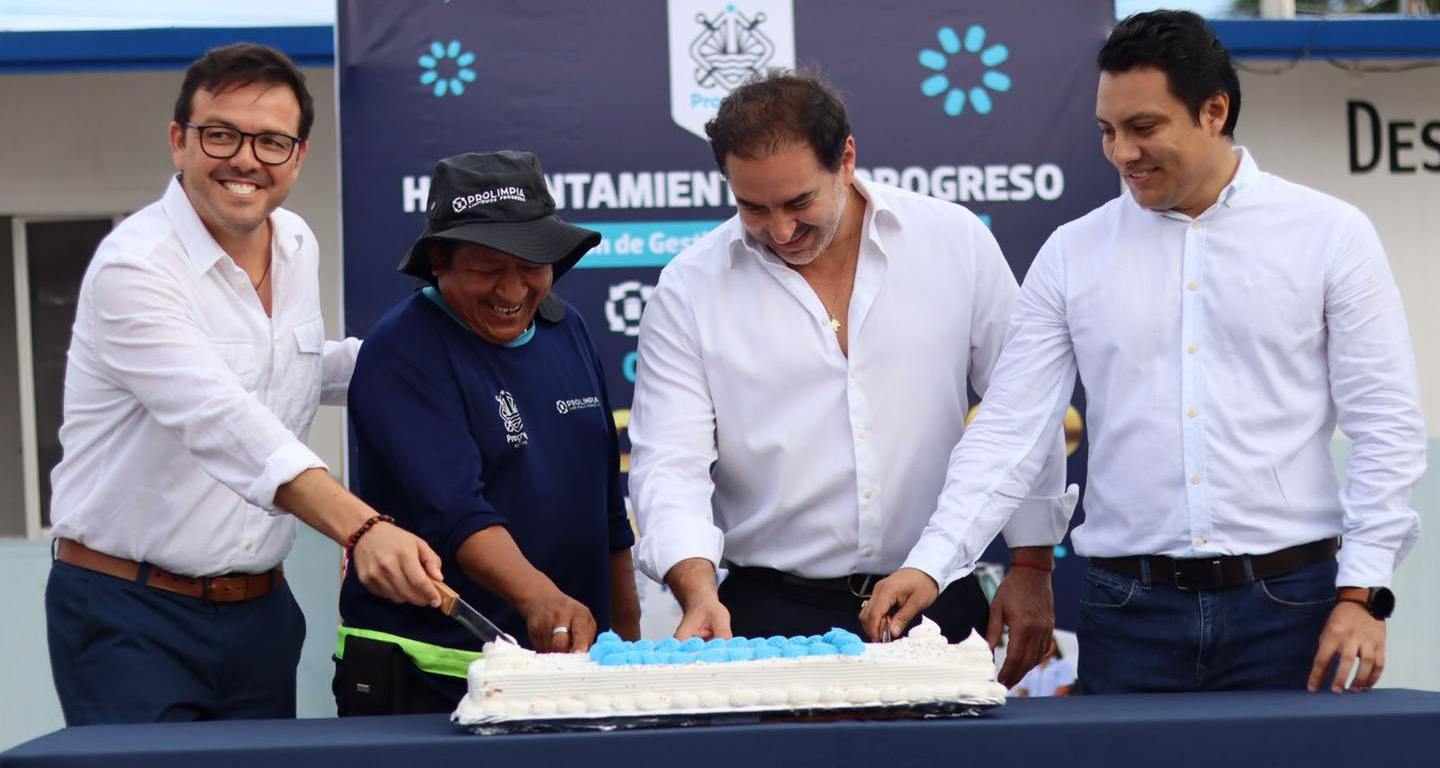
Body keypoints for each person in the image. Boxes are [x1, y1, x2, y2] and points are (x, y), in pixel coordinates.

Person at [862, 11, 1424, 694]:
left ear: (1214, 111)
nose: (1122, 151)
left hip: (1292, 605)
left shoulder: (1330, 235)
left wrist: (1364, 592)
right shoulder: (1072, 252)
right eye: (1107, 130)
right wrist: (932, 562)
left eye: (1144, 127)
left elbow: (1386, 427)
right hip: (1128, 615)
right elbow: (1009, 427)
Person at [629, 69, 1073, 686]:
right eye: (753, 207)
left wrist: (1032, 565)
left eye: (799, 203)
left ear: (846, 159)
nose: (781, 231)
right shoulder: (689, 288)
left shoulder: (953, 241)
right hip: (766, 617)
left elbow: (1025, 409)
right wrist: (697, 589)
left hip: (937, 598)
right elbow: (668, 464)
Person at [45, 43, 445, 726]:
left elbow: (289, 370)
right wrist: (364, 528)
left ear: (298, 156)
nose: (246, 160)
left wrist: (435, 363)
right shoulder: (134, 267)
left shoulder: (295, 244)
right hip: (130, 616)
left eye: (271, 142)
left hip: (260, 615)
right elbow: (224, 420)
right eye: (221, 135)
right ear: (179, 141)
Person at [333, 151, 641, 715]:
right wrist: (540, 598)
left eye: (532, 266)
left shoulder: (565, 326)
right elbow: (457, 513)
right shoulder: (402, 350)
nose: (513, 289)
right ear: (439, 262)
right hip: (433, 674)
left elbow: (606, 506)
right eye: (487, 268)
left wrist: (629, 642)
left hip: (571, 672)